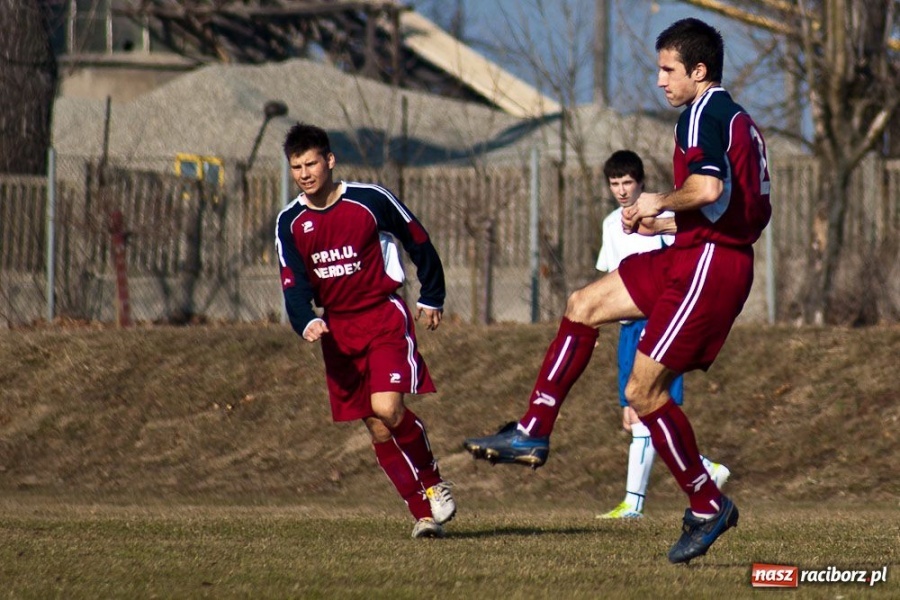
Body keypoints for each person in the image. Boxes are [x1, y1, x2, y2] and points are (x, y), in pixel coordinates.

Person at [464, 18, 771, 563]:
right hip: (696, 251)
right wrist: (666, 223)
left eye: (668, 69)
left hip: (709, 265)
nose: (660, 80)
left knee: (642, 393)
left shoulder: (703, 113)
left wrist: (659, 200)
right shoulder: (735, 119)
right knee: (582, 305)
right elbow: (737, 209)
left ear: (699, 71)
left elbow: (707, 188)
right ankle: (533, 429)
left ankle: (707, 504)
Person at [276, 122, 456, 539]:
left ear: (330, 161)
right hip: (338, 330)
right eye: (296, 167)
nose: (304, 174)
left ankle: (433, 483)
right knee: (376, 426)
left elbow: (417, 239)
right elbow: (292, 281)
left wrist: (432, 294)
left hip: (382, 316)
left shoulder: (370, 199)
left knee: (388, 408)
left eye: (311, 164)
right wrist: (306, 320)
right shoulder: (290, 221)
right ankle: (423, 516)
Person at [593, 150, 730, 520]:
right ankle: (706, 469)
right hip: (627, 329)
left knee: (644, 410)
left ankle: (632, 503)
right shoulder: (610, 224)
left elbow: (681, 266)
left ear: (641, 183)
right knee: (635, 415)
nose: (622, 190)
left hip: (656, 321)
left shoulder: (663, 220)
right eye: (615, 184)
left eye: (628, 182)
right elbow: (610, 274)